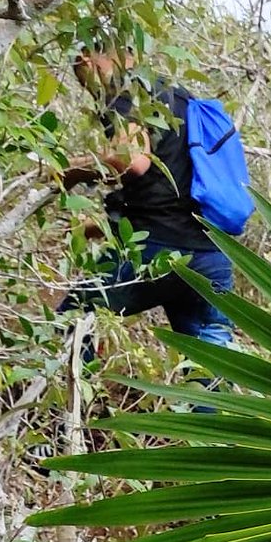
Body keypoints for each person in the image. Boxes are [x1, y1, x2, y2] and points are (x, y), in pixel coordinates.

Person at [57, 48, 235, 351]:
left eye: (80, 73)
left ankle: (76, 397)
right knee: (211, 362)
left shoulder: (126, 92)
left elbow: (133, 161)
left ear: (89, 58)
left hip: (157, 249)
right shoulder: (182, 98)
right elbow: (165, 191)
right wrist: (94, 226)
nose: (85, 85)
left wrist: (68, 171)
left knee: (72, 322)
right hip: (212, 255)